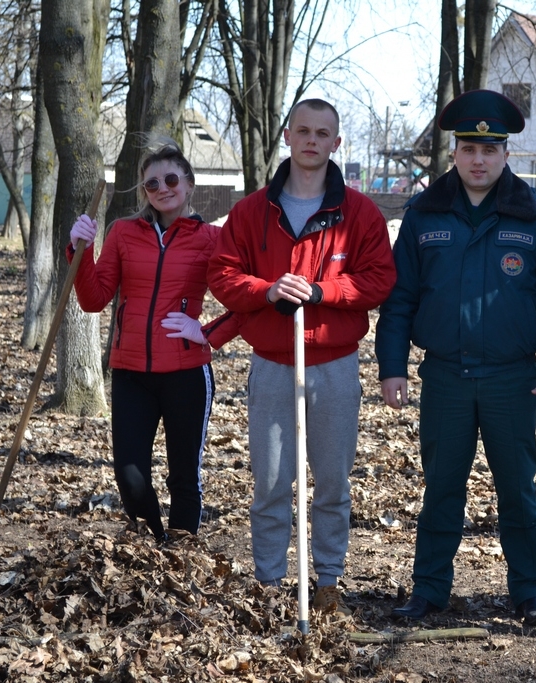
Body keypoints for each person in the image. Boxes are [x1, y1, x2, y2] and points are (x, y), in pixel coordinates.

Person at [375, 89, 536, 627]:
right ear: (455, 152)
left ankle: (531, 594)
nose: (478, 159)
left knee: (517, 489)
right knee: (442, 486)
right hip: (444, 376)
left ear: (506, 154)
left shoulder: (535, 219)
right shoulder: (425, 215)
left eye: (490, 149)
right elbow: (400, 300)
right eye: (468, 147)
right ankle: (428, 591)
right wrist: (392, 365)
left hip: (510, 380)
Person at [207, 98, 396, 616]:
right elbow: (221, 272)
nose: (312, 140)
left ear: (337, 143)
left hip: (334, 364)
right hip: (273, 363)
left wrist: (322, 292)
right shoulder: (251, 211)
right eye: (303, 131)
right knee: (270, 482)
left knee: (333, 480)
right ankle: (268, 585)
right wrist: (267, 291)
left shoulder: (358, 213)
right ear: (287, 137)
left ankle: (328, 582)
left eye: (323, 133)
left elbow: (380, 278)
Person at [68, 142, 239, 544]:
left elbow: (247, 302)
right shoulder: (124, 232)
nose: (162, 188)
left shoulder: (212, 239)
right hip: (131, 373)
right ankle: (154, 547)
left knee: (183, 475)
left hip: (186, 375)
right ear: (144, 191)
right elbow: (94, 299)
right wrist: (80, 251)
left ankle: (179, 557)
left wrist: (207, 333)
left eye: (171, 179)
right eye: (151, 183)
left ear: (189, 183)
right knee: (129, 473)